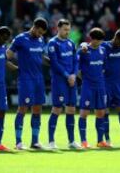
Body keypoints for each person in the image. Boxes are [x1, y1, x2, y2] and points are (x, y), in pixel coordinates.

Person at [6, 18, 48, 150]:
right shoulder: (20, 39)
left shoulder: (40, 40)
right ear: (34, 27)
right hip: (26, 79)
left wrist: (54, 62)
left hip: (39, 79)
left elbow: (40, 56)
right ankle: (18, 142)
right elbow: (7, 55)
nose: (40, 35)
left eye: (42, 33)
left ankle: (35, 141)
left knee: (38, 109)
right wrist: (14, 68)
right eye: (39, 32)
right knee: (23, 108)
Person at [47, 19, 80, 149]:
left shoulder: (71, 43)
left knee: (71, 109)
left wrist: (74, 74)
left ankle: (71, 141)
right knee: (57, 109)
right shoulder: (52, 43)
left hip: (71, 80)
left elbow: (76, 61)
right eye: (65, 29)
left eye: (69, 30)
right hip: (60, 81)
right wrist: (67, 75)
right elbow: (54, 63)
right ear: (58, 28)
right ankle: (51, 142)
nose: (67, 32)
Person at [77, 27, 109, 149]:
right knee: (84, 112)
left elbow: (104, 67)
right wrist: (85, 78)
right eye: (97, 40)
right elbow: (77, 68)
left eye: (101, 40)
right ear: (92, 39)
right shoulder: (84, 51)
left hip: (100, 85)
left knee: (100, 113)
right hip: (88, 86)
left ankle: (100, 141)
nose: (99, 42)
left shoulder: (103, 50)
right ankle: (84, 141)